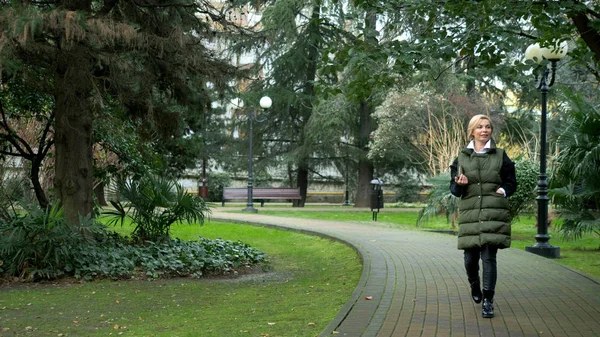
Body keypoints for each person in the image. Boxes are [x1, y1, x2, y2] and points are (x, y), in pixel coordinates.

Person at [449, 114, 517, 319]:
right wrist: (459, 185)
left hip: (492, 212)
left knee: (489, 257)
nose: (484, 130)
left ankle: (488, 300)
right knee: (470, 259)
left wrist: (503, 191)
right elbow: (454, 189)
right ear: (472, 131)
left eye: (488, 127)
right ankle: (474, 285)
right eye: (480, 127)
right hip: (470, 213)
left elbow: (511, 182)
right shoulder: (461, 157)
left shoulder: (501, 155)